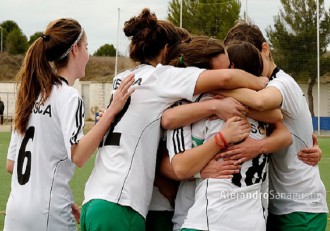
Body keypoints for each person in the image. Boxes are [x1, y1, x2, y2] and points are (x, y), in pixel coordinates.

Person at [80, 8, 268, 231]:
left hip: (95, 197)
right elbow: (225, 78)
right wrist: (261, 83)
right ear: (167, 49)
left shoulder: (121, 79)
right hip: (123, 203)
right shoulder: (163, 77)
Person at [4, 18, 134, 231]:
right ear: (75, 49)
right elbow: (79, 155)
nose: (88, 54)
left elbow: (12, 164)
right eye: (87, 47)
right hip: (48, 213)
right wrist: (112, 111)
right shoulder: (69, 96)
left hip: (16, 211)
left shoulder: (30, 93)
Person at [161, 37, 290, 231]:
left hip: (209, 220)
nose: (226, 76)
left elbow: (170, 126)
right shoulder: (260, 110)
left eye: (229, 69)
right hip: (249, 221)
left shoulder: (190, 108)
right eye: (220, 72)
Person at [221, 20, 328, 231]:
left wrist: (215, 90)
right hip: (274, 206)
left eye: (251, 59)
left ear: (265, 49)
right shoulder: (256, 87)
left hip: (300, 208)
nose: (245, 70)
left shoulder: (282, 82)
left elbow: (262, 102)